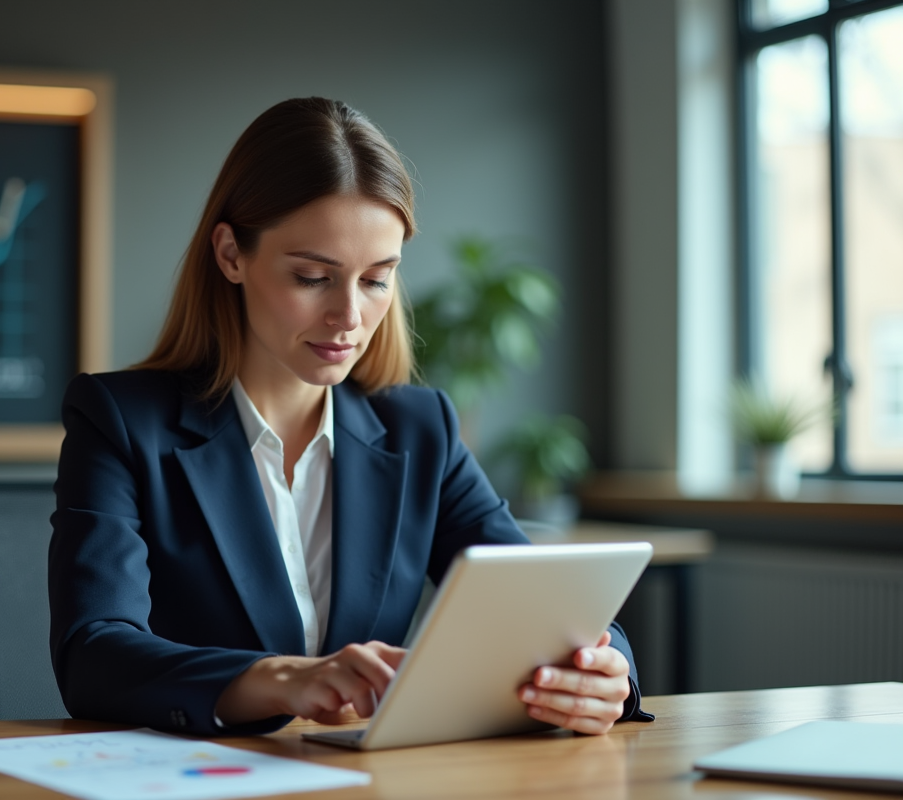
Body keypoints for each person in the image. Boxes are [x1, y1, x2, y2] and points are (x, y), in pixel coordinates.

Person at [48, 97, 653, 738]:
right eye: (313, 277)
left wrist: (602, 664)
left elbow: (536, 605)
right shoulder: (118, 420)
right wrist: (281, 678)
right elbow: (93, 654)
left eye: (376, 279)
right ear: (230, 254)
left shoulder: (421, 430)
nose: (349, 316)